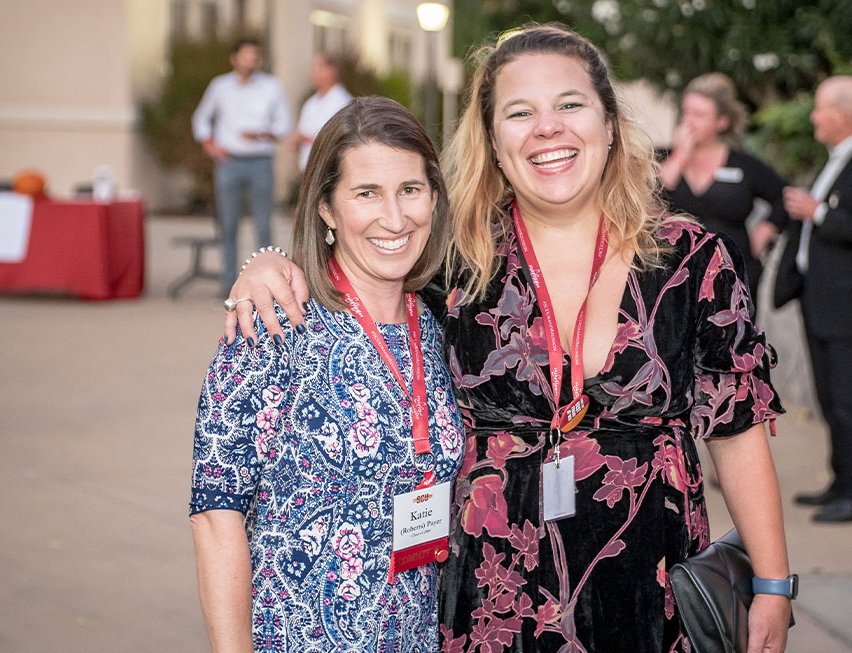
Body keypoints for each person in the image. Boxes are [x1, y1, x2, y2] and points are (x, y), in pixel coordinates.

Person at [224, 24, 794, 653]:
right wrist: (272, 263)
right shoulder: (455, 262)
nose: (547, 128)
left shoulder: (691, 259)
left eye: (570, 104)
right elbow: (363, 254)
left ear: (610, 123)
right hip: (495, 602)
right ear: (494, 143)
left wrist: (772, 584)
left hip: (647, 596)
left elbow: (736, 432)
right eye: (520, 113)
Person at [189, 97, 465, 652]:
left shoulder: (441, 326)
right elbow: (217, 518)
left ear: (434, 197)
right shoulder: (273, 324)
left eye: (409, 190)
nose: (394, 217)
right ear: (327, 209)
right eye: (366, 193)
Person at [774, 76, 852, 523]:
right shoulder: (839, 159)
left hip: (847, 302)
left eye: (820, 109)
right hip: (819, 297)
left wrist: (818, 212)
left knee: (848, 399)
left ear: (842, 116)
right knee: (830, 397)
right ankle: (842, 482)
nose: (813, 117)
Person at [660, 72, 789, 304]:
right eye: (686, 112)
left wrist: (768, 227)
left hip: (732, 276)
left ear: (722, 122)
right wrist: (680, 156)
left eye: (699, 115)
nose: (689, 121)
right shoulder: (662, 157)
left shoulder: (743, 164)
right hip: (673, 278)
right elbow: (652, 190)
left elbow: (784, 196)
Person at [192, 38, 292, 294]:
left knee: (262, 225)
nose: (251, 60)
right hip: (230, 163)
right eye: (246, 55)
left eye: (255, 55)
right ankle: (229, 286)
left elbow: (284, 125)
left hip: (260, 161)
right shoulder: (220, 86)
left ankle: (267, 285)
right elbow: (201, 119)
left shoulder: (272, 87)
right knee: (228, 225)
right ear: (234, 58)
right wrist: (211, 146)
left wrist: (262, 134)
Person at [291, 52, 353, 171]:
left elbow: (341, 140)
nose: (312, 73)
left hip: (330, 171)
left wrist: (306, 138)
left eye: (317, 68)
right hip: (309, 169)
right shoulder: (311, 103)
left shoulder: (342, 102)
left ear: (330, 71)